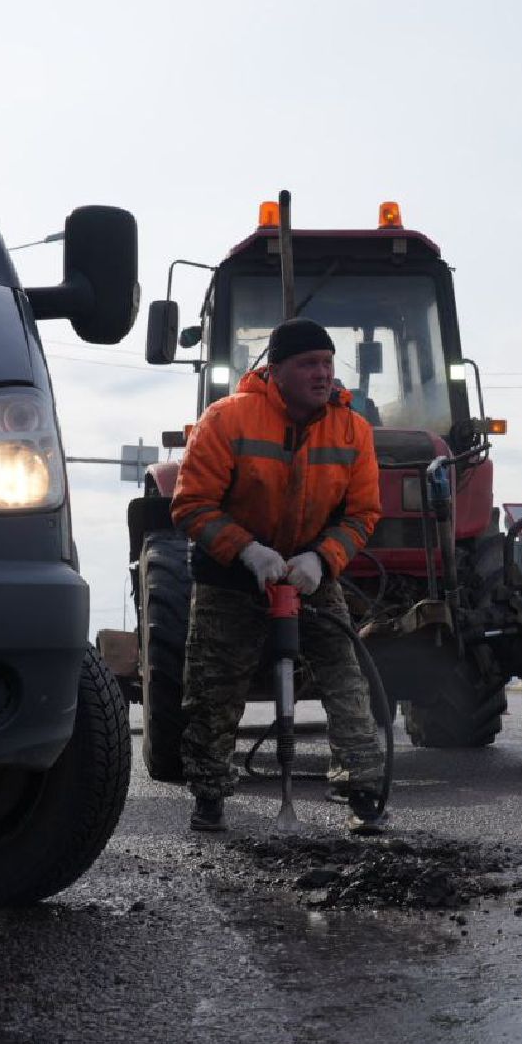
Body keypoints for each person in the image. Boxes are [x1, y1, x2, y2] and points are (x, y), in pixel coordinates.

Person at [170, 317, 387, 834]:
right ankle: (209, 793)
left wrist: (322, 559)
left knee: (344, 674)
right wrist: (248, 552)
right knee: (214, 687)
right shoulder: (227, 420)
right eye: (308, 364)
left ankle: (361, 787)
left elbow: (362, 513)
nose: (322, 374)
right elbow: (191, 505)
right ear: (277, 370)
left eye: (328, 363)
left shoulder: (352, 429)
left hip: (309, 572)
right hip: (232, 573)